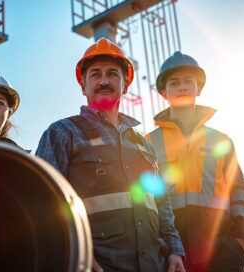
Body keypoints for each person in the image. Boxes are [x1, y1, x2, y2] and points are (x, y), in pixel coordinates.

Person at [36, 38, 185, 272]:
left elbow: (161, 203)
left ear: (125, 86)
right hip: (98, 265)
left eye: (112, 74)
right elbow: (43, 202)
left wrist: (174, 249)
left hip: (155, 264)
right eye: (95, 74)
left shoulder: (142, 143)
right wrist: (78, 255)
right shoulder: (62, 133)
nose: (104, 81)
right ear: (83, 86)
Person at [146, 51, 244, 272]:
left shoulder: (220, 140)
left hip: (221, 246)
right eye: (174, 82)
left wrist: (240, 239)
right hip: (171, 250)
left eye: (188, 81)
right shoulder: (148, 142)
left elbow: (237, 189)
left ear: (199, 88)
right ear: (164, 92)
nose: (182, 87)